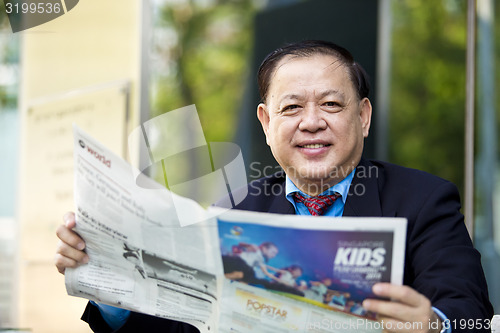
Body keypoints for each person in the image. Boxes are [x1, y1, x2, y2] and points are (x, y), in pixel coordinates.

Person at [55, 40, 493, 332]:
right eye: (292, 107)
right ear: (266, 123)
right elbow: (185, 322)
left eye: (330, 104)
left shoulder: (424, 200)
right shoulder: (233, 208)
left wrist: (436, 324)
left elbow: (475, 315)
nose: (311, 121)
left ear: (362, 116)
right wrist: (107, 279)